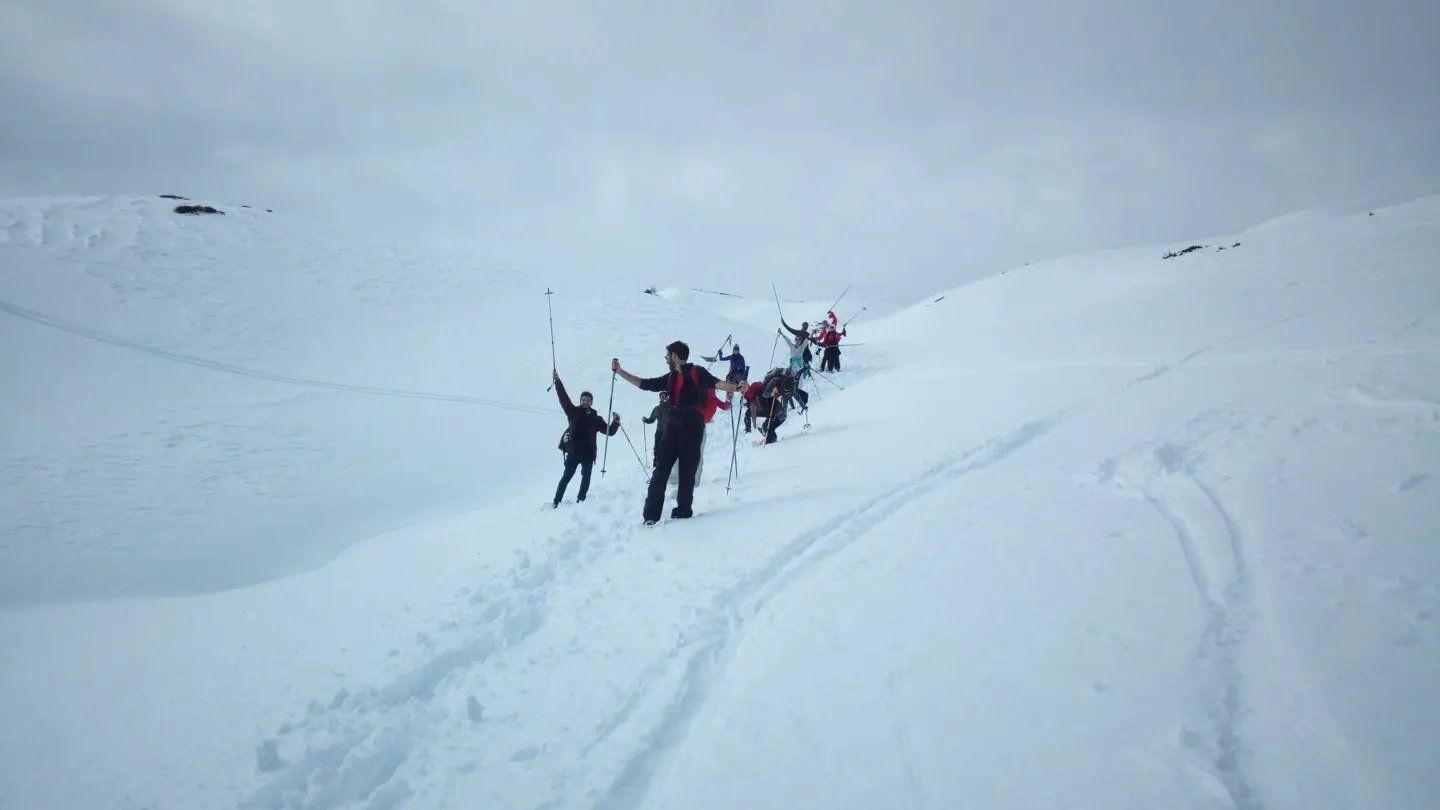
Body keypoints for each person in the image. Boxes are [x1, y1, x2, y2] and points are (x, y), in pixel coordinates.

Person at [612, 340, 747, 524]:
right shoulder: (670, 377)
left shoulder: (697, 372)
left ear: (675, 356)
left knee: (687, 470)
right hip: (673, 424)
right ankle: (651, 516)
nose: (666, 358)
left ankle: (683, 510)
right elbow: (646, 384)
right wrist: (620, 372)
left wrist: (736, 388)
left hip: (692, 424)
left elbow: (717, 383)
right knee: (661, 469)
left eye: (668, 355)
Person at [552, 371, 620, 507]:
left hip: (588, 454)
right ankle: (556, 501)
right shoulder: (573, 412)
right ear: (580, 401)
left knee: (586, 478)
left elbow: (609, 432)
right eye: (583, 400)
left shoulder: (596, 418)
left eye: (588, 400)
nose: (585, 402)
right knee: (566, 477)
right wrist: (557, 382)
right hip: (573, 452)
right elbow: (564, 399)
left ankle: (581, 500)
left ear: (591, 402)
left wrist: (616, 422)